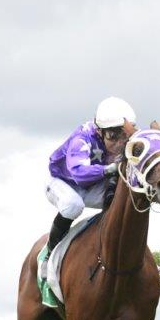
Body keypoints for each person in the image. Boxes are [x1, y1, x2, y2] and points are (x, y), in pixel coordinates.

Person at [43, 97, 135, 260]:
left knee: (122, 199)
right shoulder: (82, 138)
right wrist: (110, 169)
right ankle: (50, 254)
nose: (118, 142)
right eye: (113, 135)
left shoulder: (127, 138)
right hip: (62, 182)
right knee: (73, 205)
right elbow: (79, 174)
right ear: (99, 130)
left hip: (92, 185)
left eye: (123, 135)